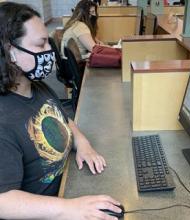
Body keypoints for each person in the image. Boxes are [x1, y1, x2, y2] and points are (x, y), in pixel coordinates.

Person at [0, 2, 122, 219]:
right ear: (11, 52)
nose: (50, 52)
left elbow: (63, 119)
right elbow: (3, 201)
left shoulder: (36, 87)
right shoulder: (4, 119)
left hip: (68, 187)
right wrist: (68, 208)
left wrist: (82, 144)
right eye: (41, 45)